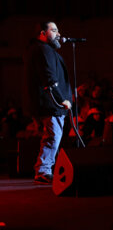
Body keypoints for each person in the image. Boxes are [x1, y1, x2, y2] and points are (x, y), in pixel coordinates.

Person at [23, 21, 72, 184]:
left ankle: (45, 168)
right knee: (53, 136)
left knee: (50, 136)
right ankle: (44, 170)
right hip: (51, 104)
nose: (59, 34)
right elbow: (49, 77)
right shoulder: (43, 50)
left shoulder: (37, 50)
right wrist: (60, 99)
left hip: (44, 103)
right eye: (54, 30)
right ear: (43, 33)